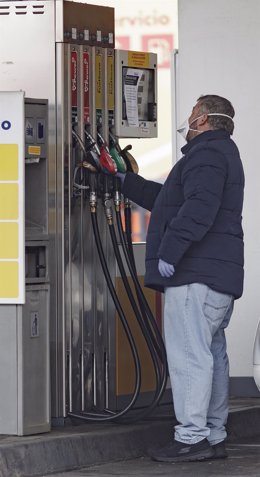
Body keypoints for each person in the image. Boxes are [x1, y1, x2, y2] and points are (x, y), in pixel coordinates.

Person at [118, 95, 245, 462]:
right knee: (212, 354)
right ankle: (213, 433)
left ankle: (192, 437)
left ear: (203, 119)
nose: (187, 120)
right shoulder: (220, 155)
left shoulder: (206, 156)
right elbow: (170, 200)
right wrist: (125, 181)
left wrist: (170, 254)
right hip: (215, 274)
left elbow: (197, 210)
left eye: (191, 114)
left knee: (191, 356)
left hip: (194, 273)